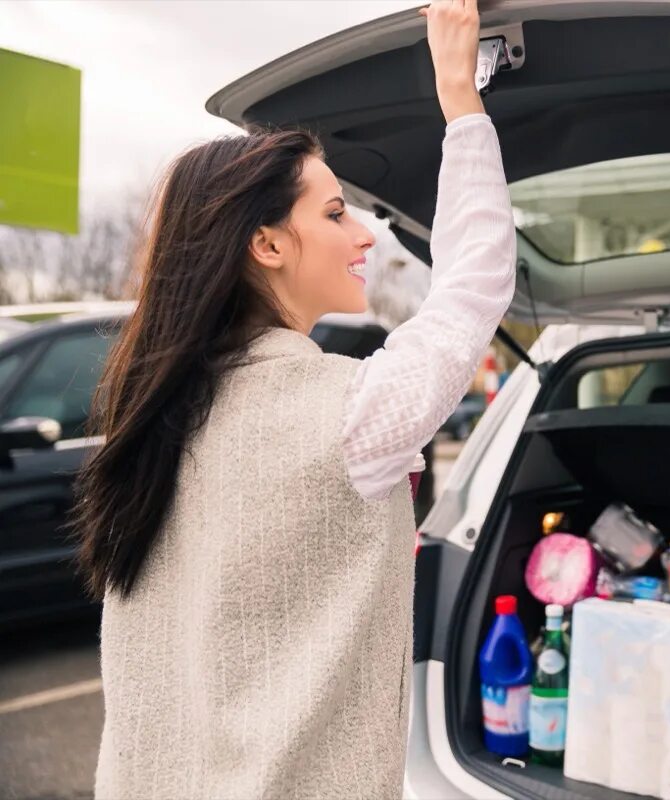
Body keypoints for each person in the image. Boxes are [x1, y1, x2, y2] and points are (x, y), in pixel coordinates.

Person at [73, 1, 513, 797]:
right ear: (267, 244)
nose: (367, 237)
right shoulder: (346, 416)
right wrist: (460, 100)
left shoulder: (157, 417)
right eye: (337, 213)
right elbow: (474, 285)